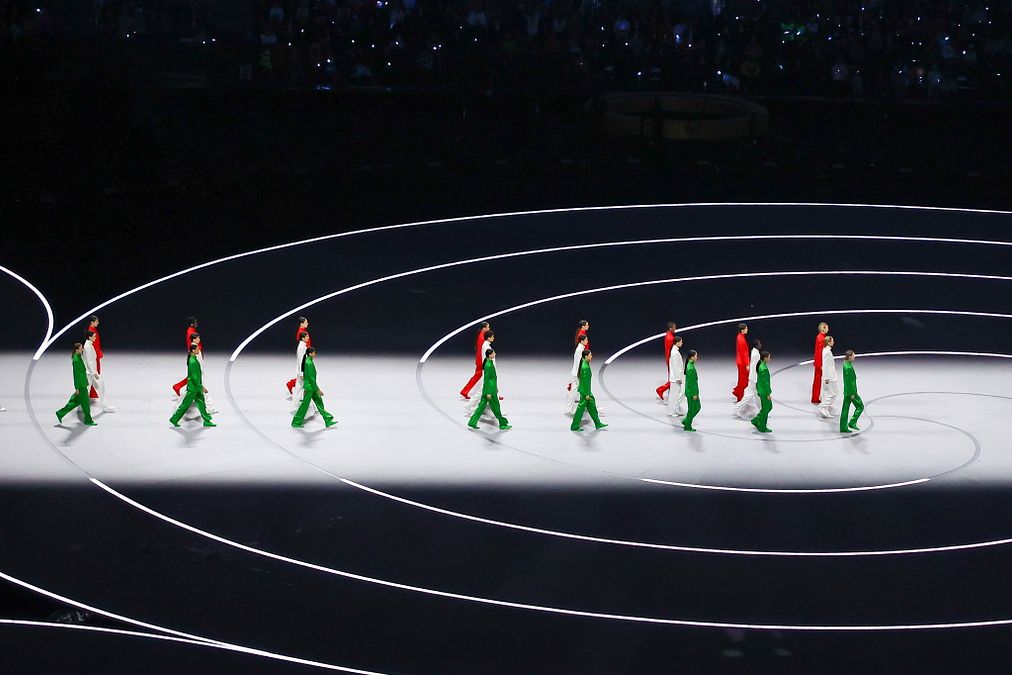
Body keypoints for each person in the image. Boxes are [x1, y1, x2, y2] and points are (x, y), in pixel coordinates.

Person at [170, 343, 215, 427]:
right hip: (193, 388)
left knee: (201, 403)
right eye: (197, 349)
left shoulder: (193, 359)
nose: (199, 350)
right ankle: (174, 419)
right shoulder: (193, 361)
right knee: (185, 405)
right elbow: (194, 377)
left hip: (196, 387)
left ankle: (206, 420)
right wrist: (201, 387)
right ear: (193, 351)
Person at [292, 346, 336, 428]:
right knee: (304, 406)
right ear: (310, 354)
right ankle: (296, 422)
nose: (315, 354)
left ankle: (328, 420)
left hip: (311, 387)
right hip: (310, 388)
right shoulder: (309, 363)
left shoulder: (309, 361)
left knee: (319, 402)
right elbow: (311, 379)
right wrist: (318, 390)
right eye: (314, 352)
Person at [467, 349, 511, 430]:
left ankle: (472, 422)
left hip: (490, 388)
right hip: (490, 390)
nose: (495, 354)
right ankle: (502, 423)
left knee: (480, 408)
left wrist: (495, 387)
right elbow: (487, 379)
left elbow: (491, 378)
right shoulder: (488, 365)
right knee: (496, 408)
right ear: (490, 355)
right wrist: (488, 392)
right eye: (493, 353)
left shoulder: (488, 363)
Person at [56, 342, 97, 426]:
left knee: (74, 401)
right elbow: (75, 375)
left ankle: (60, 413)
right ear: (76, 349)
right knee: (85, 403)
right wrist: (77, 388)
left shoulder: (78, 356)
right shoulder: (76, 360)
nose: (82, 349)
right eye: (81, 348)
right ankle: (88, 420)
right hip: (81, 385)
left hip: (82, 383)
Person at [570, 350, 607, 432]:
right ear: (586, 356)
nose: (591, 356)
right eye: (590, 355)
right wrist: (586, 394)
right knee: (580, 410)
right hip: (585, 392)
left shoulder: (584, 364)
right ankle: (574, 426)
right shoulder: (585, 367)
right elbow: (585, 382)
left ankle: (598, 423)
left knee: (592, 406)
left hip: (586, 391)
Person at [184, 333, 217, 418]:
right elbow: (197, 361)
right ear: (194, 339)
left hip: (199, 372)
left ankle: (208, 409)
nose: (199, 339)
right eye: (198, 338)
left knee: (194, 393)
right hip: (198, 373)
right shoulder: (194, 348)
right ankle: (210, 408)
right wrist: (200, 371)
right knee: (203, 390)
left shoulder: (194, 347)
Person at [83, 330, 115, 412]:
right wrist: (94, 373)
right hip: (90, 373)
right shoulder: (87, 347)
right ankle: (104, 407)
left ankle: (104, 406)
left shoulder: (89, 345)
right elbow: (89, 361)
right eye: (94, 336)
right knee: (98, 387)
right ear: (89, 337)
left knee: (98, 387)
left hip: (90, 373)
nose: (95, 337)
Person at [459, 322, 491, 399]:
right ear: (484, 328)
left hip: (480, 359)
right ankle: (493, 394)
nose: (489, 329)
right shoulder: (482, 338)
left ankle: (464, 391)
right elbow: (482, 351)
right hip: (481, 360)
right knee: (488, 376)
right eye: (488, 327)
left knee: (478, 376)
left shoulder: (481, 335)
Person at [172, 317, 201, 397]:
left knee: (192, 375)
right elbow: (191, 343)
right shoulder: (191, 332)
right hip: (193, 353)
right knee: (194, 375)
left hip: (193, 352)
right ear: (192, 323)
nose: (197, 324)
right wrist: (195, 353)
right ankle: (181, 387)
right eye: (195, 322)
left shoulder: (191, 331)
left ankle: (178, 386)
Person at [734, 339, 762, 419]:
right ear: (756, 345)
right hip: (754, 378)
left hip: (753, 377)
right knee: (749, 395)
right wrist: (755, 378)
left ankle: (762, 410)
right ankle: (737, 408)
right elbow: (753, 367)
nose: (760, 345)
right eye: (759, 343)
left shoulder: (754, 352)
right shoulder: (756, 354)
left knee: (757, 395)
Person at [565, 333, 590, 415]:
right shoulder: (580, 350)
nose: (587, 341)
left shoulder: (580, 348)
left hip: (575, 373)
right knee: (584, 391)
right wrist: (581, 375)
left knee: (575, 392)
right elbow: (579, 363)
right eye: (586, 340)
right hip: (577, 374)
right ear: (582, 341)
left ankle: (569, 409)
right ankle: (592, 408)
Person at [840, 350, 864, 432]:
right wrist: (852, 394)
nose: (854, 356)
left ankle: (843, 426)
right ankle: (852, 422)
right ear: (849, 357)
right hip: (851, 392)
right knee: (860, 406)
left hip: (846, 391)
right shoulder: (849, 368)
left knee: (845, 409)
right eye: (853, 355)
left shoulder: (845, 364)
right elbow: (850, 382)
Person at [286, 317, 311, 397]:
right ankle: (292, 385)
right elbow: (303, 345)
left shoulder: (303, 332)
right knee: (304, 376)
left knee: (304, 377)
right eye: (306, 322)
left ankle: (293, 387)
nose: (307, 323)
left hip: (306, 353)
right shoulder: (301, 333)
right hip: (305, 354)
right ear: (301, 323)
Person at [750, 350, 773, 433]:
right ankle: (762, 426)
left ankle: (756, 420)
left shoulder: (761, 366)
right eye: (769, 357)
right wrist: (768, 393)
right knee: (767, 407)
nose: (770, 358)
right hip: (764, 391)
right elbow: (766, 383)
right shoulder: (764, 369)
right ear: (765, 358)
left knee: (766, 407)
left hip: (760, 389)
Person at [289, 331, 311, 415]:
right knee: (300, 390)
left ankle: (312, 408)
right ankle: (295, 408)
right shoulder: (302, 347)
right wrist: (301, 373)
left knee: (300, 390)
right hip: (302, 372)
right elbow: (301, 361)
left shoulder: (303, 346)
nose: (308, 338)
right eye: (307, 336)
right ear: (303, 338)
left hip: (301, 371)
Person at [655, 322, 677, 400]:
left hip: (668, 358)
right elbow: (672, 351)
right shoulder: (670, 338)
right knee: (674, 378)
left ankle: (669, 393)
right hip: (671, 359)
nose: (675, 329)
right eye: (674, 327)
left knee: (673, 378)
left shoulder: (668, 335)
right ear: (670, 328)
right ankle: (660, 390)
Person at [666, 336, 686, 417]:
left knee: (678, 393)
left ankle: (675, 409)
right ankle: (671, 411)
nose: (682, 343)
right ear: (677, 342)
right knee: (673, 395)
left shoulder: (675, 351)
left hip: (676, 377)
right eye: (681, 342)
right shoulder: (674, 352)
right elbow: (675, 366)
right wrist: (678, 378)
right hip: (675, 378)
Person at [818, 335, 838, 418]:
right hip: (830, 377)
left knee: (827, 393)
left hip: (829, 376)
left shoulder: (826, 351)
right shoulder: (827, 352)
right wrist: (826, 378)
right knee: (834, 393)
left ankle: (824, 409)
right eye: (832, 341)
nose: (833, 342)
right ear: (828, 342)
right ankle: (822, 406)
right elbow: (826, 365)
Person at [86, 315, 104, 400]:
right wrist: (97, 355)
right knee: (95, 373)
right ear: (92, 322)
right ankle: (93, 393)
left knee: (96, 373)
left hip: (96, 354)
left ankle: (93, 393)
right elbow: (94, 345)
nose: (98, 323)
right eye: (96, 321)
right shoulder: (91, 331)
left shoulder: (93, 330)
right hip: (94, 356)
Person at [811, 322, 829, 404]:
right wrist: (821, 364)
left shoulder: (821, 337)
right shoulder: (821, 338)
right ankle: (815, 398)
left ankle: (816, 397)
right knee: (818, 381)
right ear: (823, 328)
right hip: (820, 363)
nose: (828, 329)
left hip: (819, 362)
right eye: (827, 328)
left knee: (818, 380)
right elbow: (820, 352)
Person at [683, 350, 700, 431]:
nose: (697, 357)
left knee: (694, 408)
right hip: (692, 392)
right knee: (693, 409)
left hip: (690, 391)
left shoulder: (690, 365)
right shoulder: (691, 368)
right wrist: (694, 394)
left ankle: (686, 420)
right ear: (692, 357)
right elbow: (692, 383)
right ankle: (687, 425)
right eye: (696, 356)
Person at [732, 323, 748, 402]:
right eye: (746, 329)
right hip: (742, 362)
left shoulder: (740, 337)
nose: (747, 330)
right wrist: (747, 364)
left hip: (740, 361)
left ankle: (738, 391)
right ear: (742, 330)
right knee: (743, 380)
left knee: (742, 379)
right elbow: (743, 352)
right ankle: (739, 395)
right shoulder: (741, 339)